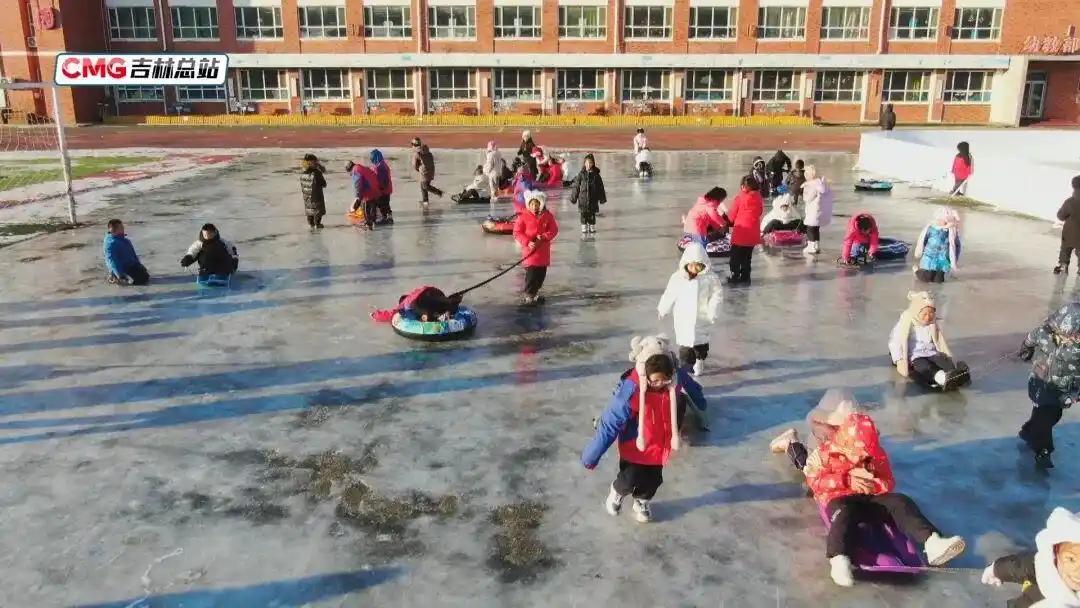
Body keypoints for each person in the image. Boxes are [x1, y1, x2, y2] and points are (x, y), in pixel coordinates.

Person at [802, 411, 966, 586]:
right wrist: (846, 479)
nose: (861, 457)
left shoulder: (876, 455)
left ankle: (932, 542)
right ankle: (839, 559)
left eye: (865, 452)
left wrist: (874, 481)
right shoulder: (825, 454)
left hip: (870, 498)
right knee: (845, 514)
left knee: (900, 501)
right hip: (840, 499)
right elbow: (814, 481)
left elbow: (888, 482)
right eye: (857, 452)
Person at [581, 335, 706, 524]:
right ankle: (617, 492)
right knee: (628, 479)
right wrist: (591, 457)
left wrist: (700, 402)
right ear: (645, 374)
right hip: (635, 445)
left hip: (659, 446)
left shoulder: (674, 378)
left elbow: (690, 386)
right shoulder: (631, 390)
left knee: (652, 481)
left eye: (664, 381)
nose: (659, 385)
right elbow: (610, 423)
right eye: (655, 381)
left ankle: (642, 501)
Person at [1018, 302, 1080, 469]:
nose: (1074, 338)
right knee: (1044, 417)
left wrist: (1076, 394)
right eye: (1072, 334)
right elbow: (1031, 338)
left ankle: (1028, 430)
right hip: (1040, 382)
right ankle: (1043, 450)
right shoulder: (1045, 334)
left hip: (1062, 389)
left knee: (1050, 416)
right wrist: (1026, 348)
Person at [981, 507, 1080, 608]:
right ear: (1056, 553)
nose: (1078, 571)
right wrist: (997, 569)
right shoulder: (1046, 567)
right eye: (1071, 559)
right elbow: (1020, 567)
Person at [657, 242, 723, 376]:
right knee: (685, 348)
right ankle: (686, 369)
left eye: (698, 265)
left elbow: (717, 295)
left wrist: (713, 311)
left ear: (704, 264)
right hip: (684, 319)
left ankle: (700, 360)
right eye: (691, 265)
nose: (694, 268)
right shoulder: (678, 278)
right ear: (686, 263)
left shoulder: (710, 279)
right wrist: (663, 309)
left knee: (701, 345)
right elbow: (670, 294)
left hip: (702, 318)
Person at [888, 291, 970, 392]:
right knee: (925, 367)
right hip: (915, 356)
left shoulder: (932, 323)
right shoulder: (906, 323)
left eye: (931, 313)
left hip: (931, 352)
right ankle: (941, 378)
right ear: (916, 311)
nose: (928, 317)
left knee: (942, 361)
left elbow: (938, 339)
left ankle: (956, 375)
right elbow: (896, 342)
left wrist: (945, 356)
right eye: (924, 314)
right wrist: (898, 359)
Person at [769, 388, 858, 474]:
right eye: (835, 427)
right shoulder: (820, 433)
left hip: (830, 444)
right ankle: (790, 442)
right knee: (808, 468)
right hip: (819, 450)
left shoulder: (857, 434)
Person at [513, 190, 559, 305]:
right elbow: (517, 232)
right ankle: (529, 296)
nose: (534, 207)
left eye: (536, 204)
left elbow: (553, 230)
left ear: (541, 204)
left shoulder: (548, 216)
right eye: (532, 204)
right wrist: (527, 242)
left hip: (543, 252)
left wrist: (544, 236)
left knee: (540, 275)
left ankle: (535, 294)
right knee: (531, 275)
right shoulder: (523, 216)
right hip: (530, 252)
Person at [725, 175, 764, 286]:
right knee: (747, 257)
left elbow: (732, 216)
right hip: (753, 233)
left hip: (741, 233)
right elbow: (760, 212)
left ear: (743, 187)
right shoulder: (758, 197)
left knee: (735, 257)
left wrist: (727, 222)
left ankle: (735, 275)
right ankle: (746, 277)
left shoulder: (740, 198)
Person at [913, 207, 961, 283]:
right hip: (929, 256)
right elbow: (922, 240)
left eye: (946, 221)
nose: (943, 222)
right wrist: (919, 252)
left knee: (939, 281)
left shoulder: (951, 231)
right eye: (941, 220)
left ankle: (935, 294)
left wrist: (954, 260)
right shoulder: (930, 228)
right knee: (926, 278)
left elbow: (957, 246)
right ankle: (916, 271)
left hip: (943, 258)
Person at [371, 285, 464, 323]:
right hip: (432, 292)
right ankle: (448, 303)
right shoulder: (415, 292)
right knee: (437, 303)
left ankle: (438, 315)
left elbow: (390, 314)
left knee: (420, 311)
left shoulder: (404, 303)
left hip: (419, 301)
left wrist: (375, 315)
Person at [103, 219, 150, 286]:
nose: (123, 229)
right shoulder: (111, 244)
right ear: (113, 230)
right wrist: (120, 275)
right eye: (121, 228)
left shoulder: (124, 240)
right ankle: (114, 278)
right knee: (141, 280)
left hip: (131, 264)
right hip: (123, 268)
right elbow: (112, 261)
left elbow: (133, 254)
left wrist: (139, 264)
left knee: (145, 276)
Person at [568, 153, 606, 235]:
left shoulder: (596, 175)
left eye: (590, 163)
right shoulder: (581, 174)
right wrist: (573, 197)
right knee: (583, 214)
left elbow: (600, 187)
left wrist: (602, 198)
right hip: (583, 199)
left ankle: (592, 226)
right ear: (584, 163)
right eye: (587, 162)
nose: (588, 164)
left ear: (593, 164)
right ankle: (584, 226)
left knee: (592, 214)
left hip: (593, 199)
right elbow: (576, 186)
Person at [801, 164, 834, 255]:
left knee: (810, 228)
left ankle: (811, 246)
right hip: (821, 212)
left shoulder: (811, 184)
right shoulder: (823, 183)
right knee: (816, 228)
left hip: (814, 211)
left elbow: (808, 198)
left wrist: (804, 193)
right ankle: (816, 245)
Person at [1054, 176, 1080, 275]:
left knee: (1065, 249)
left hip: (1069, 233)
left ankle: (1063, 266)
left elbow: (1060, 216)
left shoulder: (1070, 202)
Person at [347, 159, 381, 230]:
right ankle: (373, 221)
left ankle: (368, 224)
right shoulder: (361, 167)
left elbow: (357, 184)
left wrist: (358, 197)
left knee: (365, 208)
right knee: (373, 207)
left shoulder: (355, 171)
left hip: (367, 191)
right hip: (375, 189)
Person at [299, 153, 327, 230]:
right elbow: (323, 183)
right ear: (312, 162)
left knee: (309, 208)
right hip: (316, 195)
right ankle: (317, 223)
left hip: (307, 196)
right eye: (315, 161)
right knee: (317, 209)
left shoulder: (303, 172)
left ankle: (311, 223)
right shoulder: (316, 173)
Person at [411, 138, 443, 204]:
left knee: (425, 186)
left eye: (412, 144)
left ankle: (439, 192)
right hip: (431, 170)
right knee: (423, 185)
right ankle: (425, 201)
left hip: (424, 172)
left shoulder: (416, 153)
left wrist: (418, 169)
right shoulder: (427, 151)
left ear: (414, 145)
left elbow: (414, 165)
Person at [370, 149, 394, 226]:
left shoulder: (380, 167)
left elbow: (382, 180)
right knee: (386, 204)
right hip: (387, 189)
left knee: (382, 205)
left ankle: (385, 218)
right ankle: (388, 217)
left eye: (372, 158)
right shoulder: (382, 164)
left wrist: (379, 189)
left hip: (383, 190)